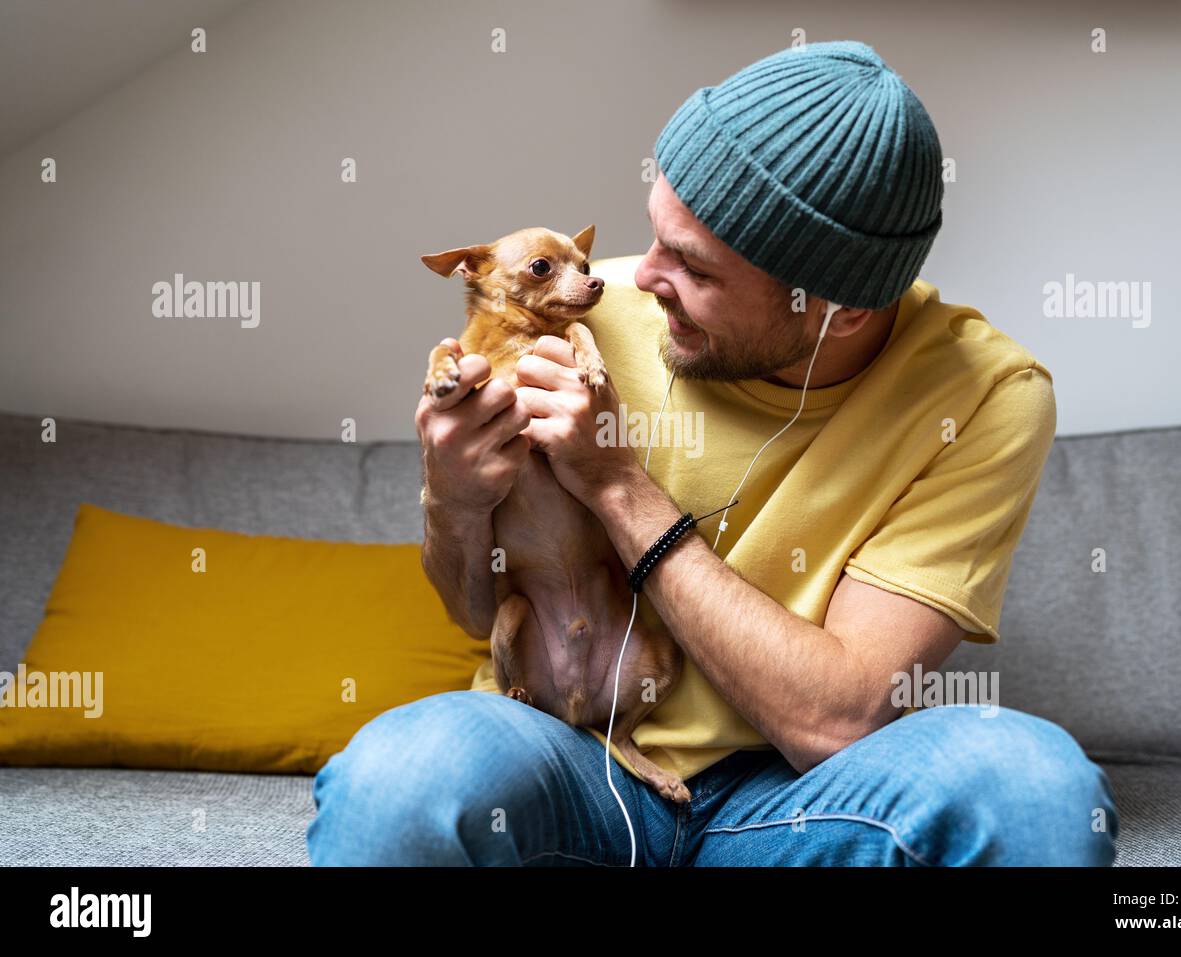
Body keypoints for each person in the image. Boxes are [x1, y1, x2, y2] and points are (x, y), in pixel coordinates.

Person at [307, 40, 1119, 866]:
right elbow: (475, 612)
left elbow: (835, 722)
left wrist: (619, 487)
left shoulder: (983, 395)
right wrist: (451, 498)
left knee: (1034, 788)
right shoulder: (568, 320)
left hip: (801, 795)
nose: (639, 277)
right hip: (569, 750)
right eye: (657, 233)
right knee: (395, 782)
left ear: (837, 310)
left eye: (691, 266)